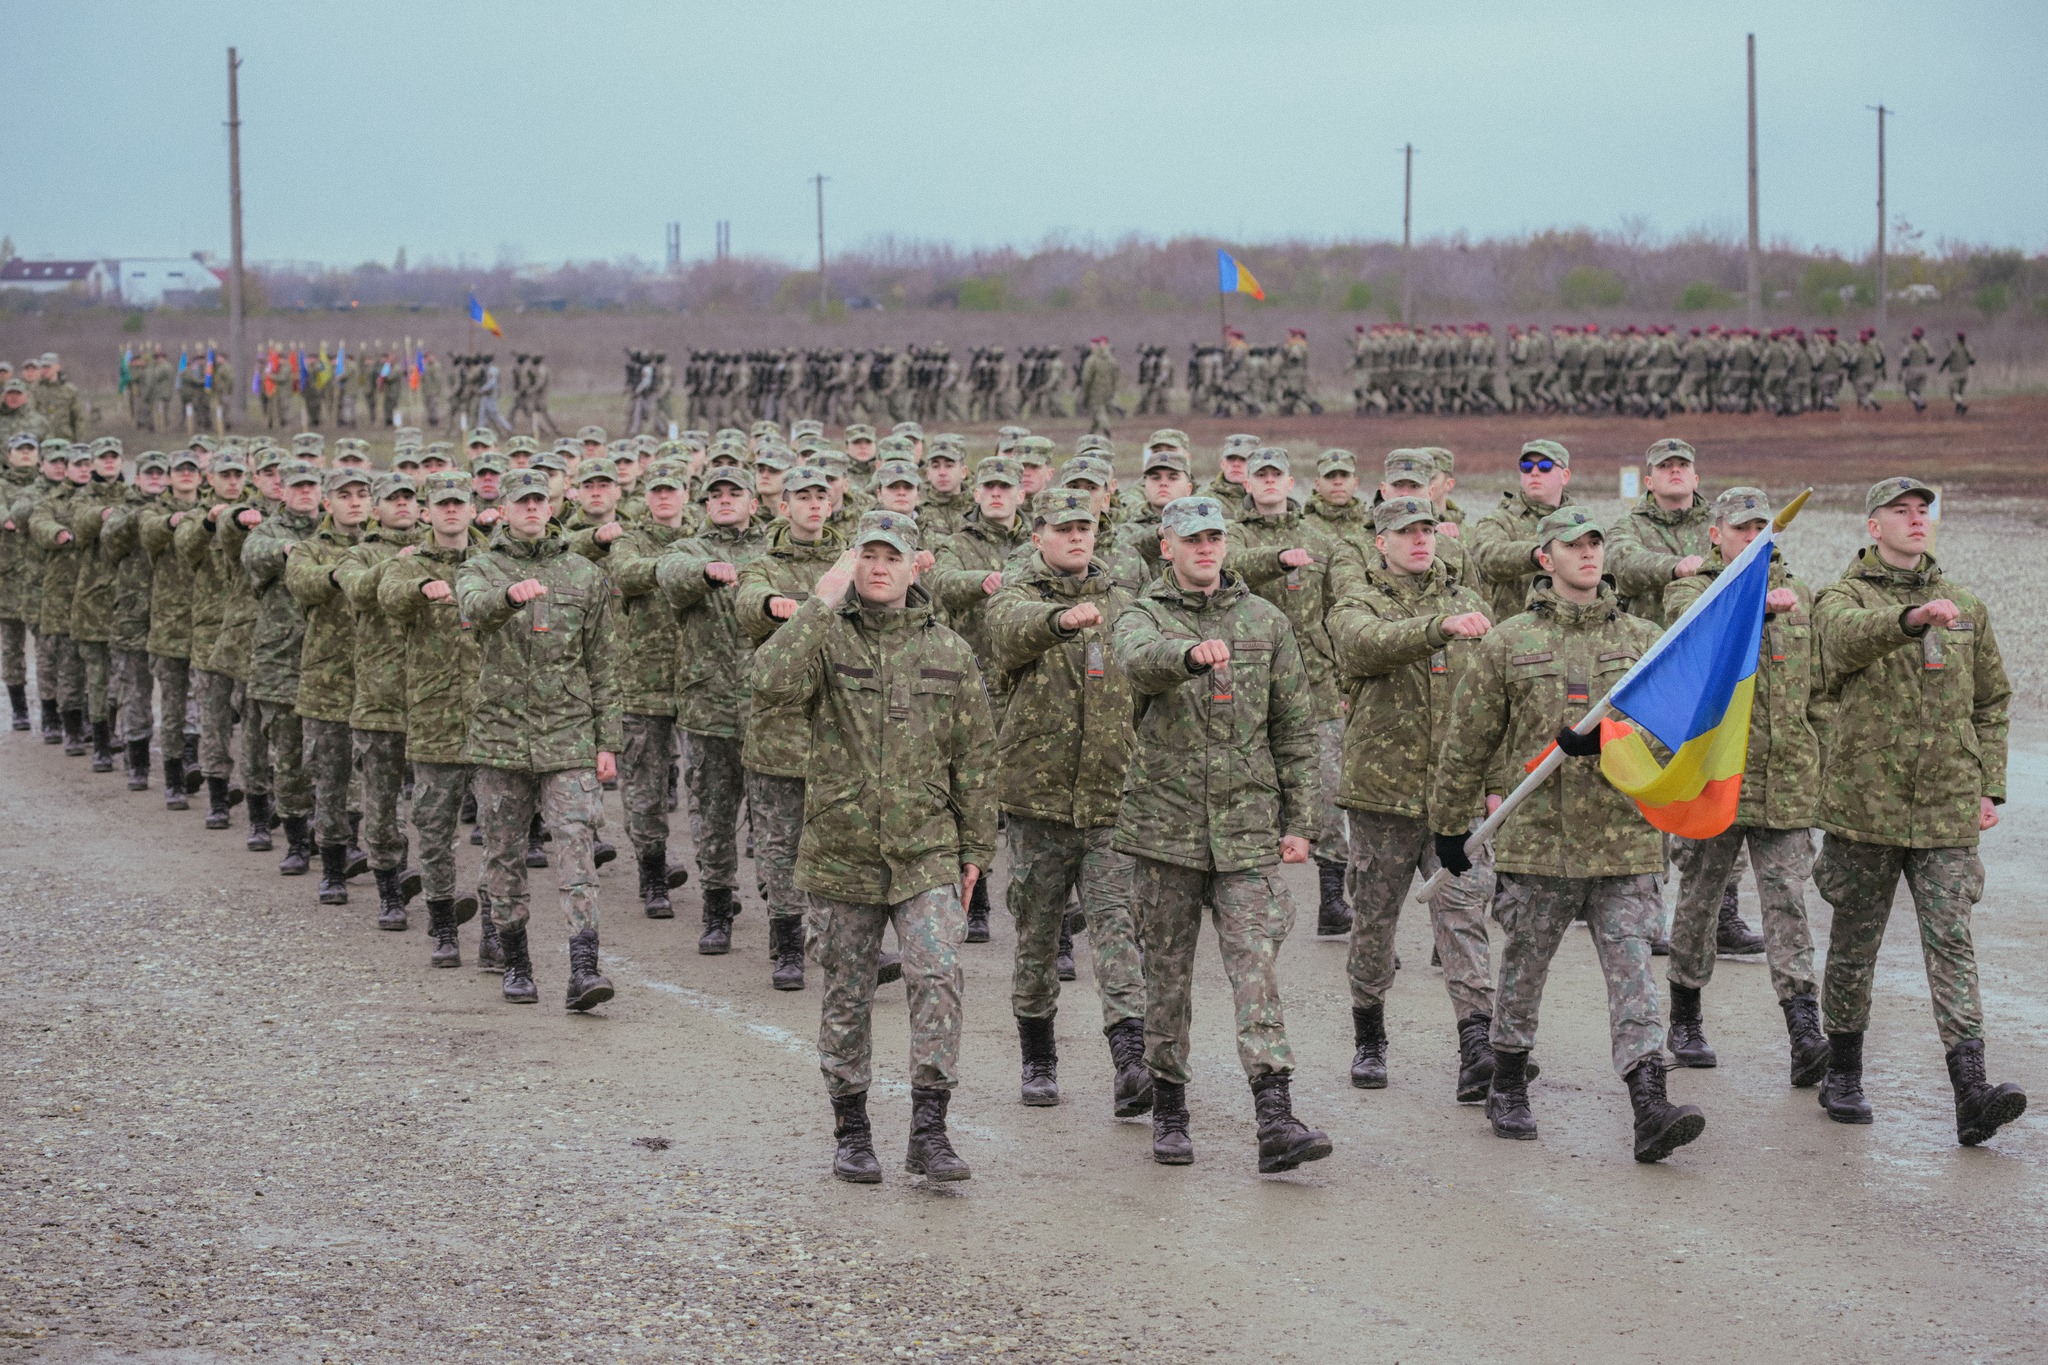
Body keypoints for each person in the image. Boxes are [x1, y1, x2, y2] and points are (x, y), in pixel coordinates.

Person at [1431, 505, 1706, 1163]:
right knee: (1525, 968)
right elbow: (1468, 740)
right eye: (1572, 545)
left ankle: (1649, 1101)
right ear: (1544, 557)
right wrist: (1448, 824)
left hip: (1622, 841)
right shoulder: (1510, 640)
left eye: (1595, 544)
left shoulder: (1646, 640)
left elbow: (1675, 731)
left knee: (1634, 970)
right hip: (1539, 842)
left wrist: (1614, 740)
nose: (1587, 554)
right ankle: (1506, 1079)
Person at [751, 511, 996, 1185]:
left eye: (893, 555)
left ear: (918, 564)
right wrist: (819, 600)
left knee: (938, 974)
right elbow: (768, 683)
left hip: (927, 849)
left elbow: (974, 753)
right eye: (867, 555)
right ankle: (852, 1130)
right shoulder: (824, 641)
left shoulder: (948, 648)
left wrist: (978, 846)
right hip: (842, 849)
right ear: (851, 564)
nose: (880, 566)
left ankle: (930, 1129)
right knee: (847, 993)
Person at [1111, 495, 1330, 1173]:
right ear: (1166, 547)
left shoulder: (1264, 621)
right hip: (1164, 832)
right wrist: (1187, 655)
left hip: (1245, 833)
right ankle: (1171, 1109)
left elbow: (1295, 729)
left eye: (1215, 537)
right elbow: (1136, 659)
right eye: (1193, 539)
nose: (1207, 549)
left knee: (1255, 970)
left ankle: (1275, 1115)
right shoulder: (1143, 614)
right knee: (1166, 977)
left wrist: (1303, 823)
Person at [1809, 477, 2024, 1147]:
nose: (1914, 520)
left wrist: (1989, 783)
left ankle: (1972, 1089)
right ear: (1873, 526)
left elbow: (1992, 700)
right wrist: (1909, 621)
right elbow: (1843, 643)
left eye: (1921, 510)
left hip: (1943, 805)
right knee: (1855, 943)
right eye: (1899, 512)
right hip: (1865, 802)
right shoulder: (1841, 598)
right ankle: (1842, 1069)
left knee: (1952, 942)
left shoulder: (1965, 605)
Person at [1324, 496, 1501, 1101]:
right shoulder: (1356, 602)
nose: (1420, 540)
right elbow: (1363, 646)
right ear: (1381, 542)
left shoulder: (1469, 602)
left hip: (1455, 796)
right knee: (1374, 921)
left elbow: (1492, 700)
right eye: (1406, 532)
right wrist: (1435, 629)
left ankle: (1478, 1046)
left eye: (1427, 529)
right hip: (1384, 797)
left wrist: (1495, 779)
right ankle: (1369, 1034)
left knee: (1463, 913)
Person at [984, 488, 1149, 1115]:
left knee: (1117, 930)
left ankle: (1131, 1062)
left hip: (1111, 801)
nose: (1078, 537)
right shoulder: (1015, 597)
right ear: (1038, 537)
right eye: (1064, 528)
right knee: (1036, 935)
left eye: (1086, 527)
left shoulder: (1123, 604)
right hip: (1038, 801)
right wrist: (1059, 620)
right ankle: (1039, 1056)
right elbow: (1008, 634)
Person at [1660, 488, 1828, 1085]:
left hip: (1783, 783)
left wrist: (1816, 753)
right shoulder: (1688, 590)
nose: (1755, 535)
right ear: (1716, 533)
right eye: (1742, 527)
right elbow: (1699, 636)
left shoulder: (1801, 594)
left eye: (1763, 525)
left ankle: (1805, 1031)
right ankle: (1685, 1015)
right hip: (1714, 780)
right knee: (1700, 901)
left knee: (1788, 904)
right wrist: (1758, 603)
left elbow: (1822, 690)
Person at [456, 468, 621, 1010]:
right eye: (520, 502)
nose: (531, 509)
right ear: (501, 510)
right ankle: (517, 962)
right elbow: (474, 608)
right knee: (502, 855)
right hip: (501, 737)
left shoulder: (583, 574)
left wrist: (607, 741)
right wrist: (507, 596)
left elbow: (603, 662)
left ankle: (583, 968)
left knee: (577, 850)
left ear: (552, 508)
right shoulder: (481, 565)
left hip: (568, 736)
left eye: (539, 501)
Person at [1224, 448, 1351, 936]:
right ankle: (1251, 895)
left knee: (1326, 790)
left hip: (1316, 687)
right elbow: (1230, 565)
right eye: (1262, 476)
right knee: (1250, 791)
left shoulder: (1319, 539)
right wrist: (1276, 560)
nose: (1270, 482)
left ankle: (1332, 898)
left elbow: (1339, 611)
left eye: (1278, 475)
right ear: (1248, 484)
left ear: (1292, 481)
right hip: (1247, 687)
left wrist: (1343, 682)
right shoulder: (1231, 536)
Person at [733, 466, 851, 964]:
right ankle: (786, 947)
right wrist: (771, 604)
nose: (813, 505)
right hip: (780, 729)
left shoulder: (854, 561)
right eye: (802, 497)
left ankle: (836, 944)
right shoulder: (764, 564)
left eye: (820, 496)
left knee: (840, 846)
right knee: (781, 849)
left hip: (843, 726)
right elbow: (747, 602)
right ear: (784, 507)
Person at [656, 465, 772, 962]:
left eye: (735, 493)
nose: (725, 501)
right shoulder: (689, 549)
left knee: (779, 823)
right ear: (704, 505)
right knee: (714, 819)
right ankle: (717, 911)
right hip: (710, 708)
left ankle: (786, 922)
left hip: (772, 711)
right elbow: (670, 577)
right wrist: (705, 574)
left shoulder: (774, 550)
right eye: (716, 495)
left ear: (753, 501)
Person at [379, 472, 489, 969]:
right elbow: (389, 596)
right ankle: (443, 927)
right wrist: (423, 587)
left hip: (493, 721)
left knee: (500, 835)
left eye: (458, 504)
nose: (450, 512)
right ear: (427, 513)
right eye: (441, 504)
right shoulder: (409, 565)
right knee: (434, 829)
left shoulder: (493, 563)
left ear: (471, 510)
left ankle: (497, 928)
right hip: (434, 718)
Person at [336, 474, 427, 928]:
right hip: (380, 699)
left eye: (409, 498)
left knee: (435, 807)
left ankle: (436, 889)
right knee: (383, 803)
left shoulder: (439, 549)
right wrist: (397, 565)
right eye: (393, 499)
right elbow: (354, 588)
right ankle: (389, 891)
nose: (402, 505)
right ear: (377, 510)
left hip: (436, 701)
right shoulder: (361, 554)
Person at [285, 467, 374, 904]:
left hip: (378, 681)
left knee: (375, 777)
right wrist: (338, 575)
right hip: (326, 680)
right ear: (327, 503)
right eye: (345, 495)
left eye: (362, 494)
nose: (354, 502)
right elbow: (301, 582)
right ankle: (333, 868)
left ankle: (368, 852)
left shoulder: (383, 547)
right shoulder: (309, 549)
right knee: (330, 777)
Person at [242, 460, 325, 875]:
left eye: (312, 485)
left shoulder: (334, 532)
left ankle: (332, 839)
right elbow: (253, 553)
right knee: (290, 757)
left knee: (330, 759)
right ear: (284, 491)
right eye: (298, 486)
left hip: (331, 662)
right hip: (282, 661)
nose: (305, 493)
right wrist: (288, 550)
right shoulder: (269, 533)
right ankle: (295, 839)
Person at [1466, 438, 1578, 626]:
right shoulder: (1499, 520)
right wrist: (1536, 555)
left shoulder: (1580, 523)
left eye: (1544, 465)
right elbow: (1488, 557)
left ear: (1565, 476)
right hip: (1515, 633)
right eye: (1526, 466)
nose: (1534, 472)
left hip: (1570, 631)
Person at [1939, 332, 1975, 416]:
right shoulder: (1967, 348)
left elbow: (1947, 359)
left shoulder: (1954, 348)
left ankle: (1962, 404)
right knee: (1959, 393)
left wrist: (1942, 368)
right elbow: (1972, 361)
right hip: (1965, 374)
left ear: (1957, 338)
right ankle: (1959, 410)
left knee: (1953, 394)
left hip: (1955, 374)